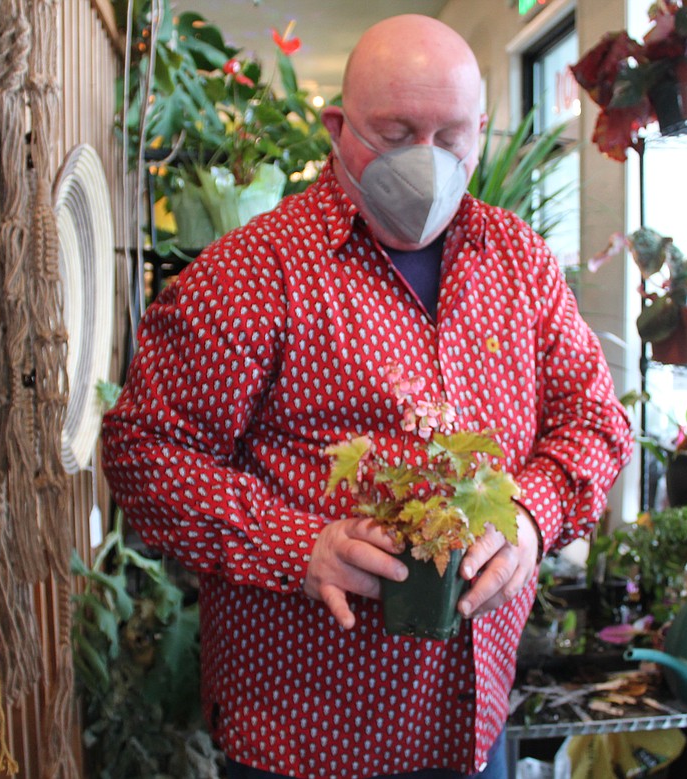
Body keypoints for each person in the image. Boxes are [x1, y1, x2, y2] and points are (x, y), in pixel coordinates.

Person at [101, 14, 632, 779]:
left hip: (471, 720)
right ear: (337, 126)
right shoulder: (251, 276)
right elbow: (143, 455)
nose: (428, 161)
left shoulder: (519, 263)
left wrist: (528, 516)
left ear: (482, 130)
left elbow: (595, 420)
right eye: (395, 133)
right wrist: (301, 546)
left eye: (451, 138)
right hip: (306, 733)